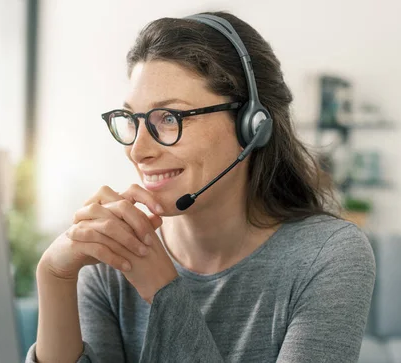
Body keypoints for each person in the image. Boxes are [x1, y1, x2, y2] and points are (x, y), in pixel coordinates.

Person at [26, 11, 375, 363]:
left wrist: (164, 292)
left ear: (251, 128)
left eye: (169, 117)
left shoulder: (327, 256)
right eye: (133, 120)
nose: (138, 150)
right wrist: (54, 275)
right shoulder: (113, 256)